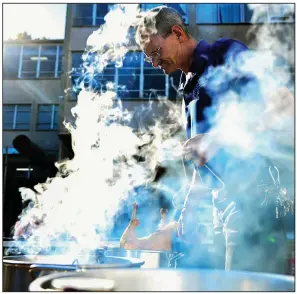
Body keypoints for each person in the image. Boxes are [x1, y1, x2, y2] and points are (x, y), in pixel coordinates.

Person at [132, 6, 293, 272]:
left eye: (157, 53)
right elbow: (202, 157)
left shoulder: (223, 53)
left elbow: (282, 102)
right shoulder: (187, 86)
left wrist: (219, 137)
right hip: (220, 210)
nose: (157, 65)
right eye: (150, 60)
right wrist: (189, 208)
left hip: (254, 205)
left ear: (177, 33)